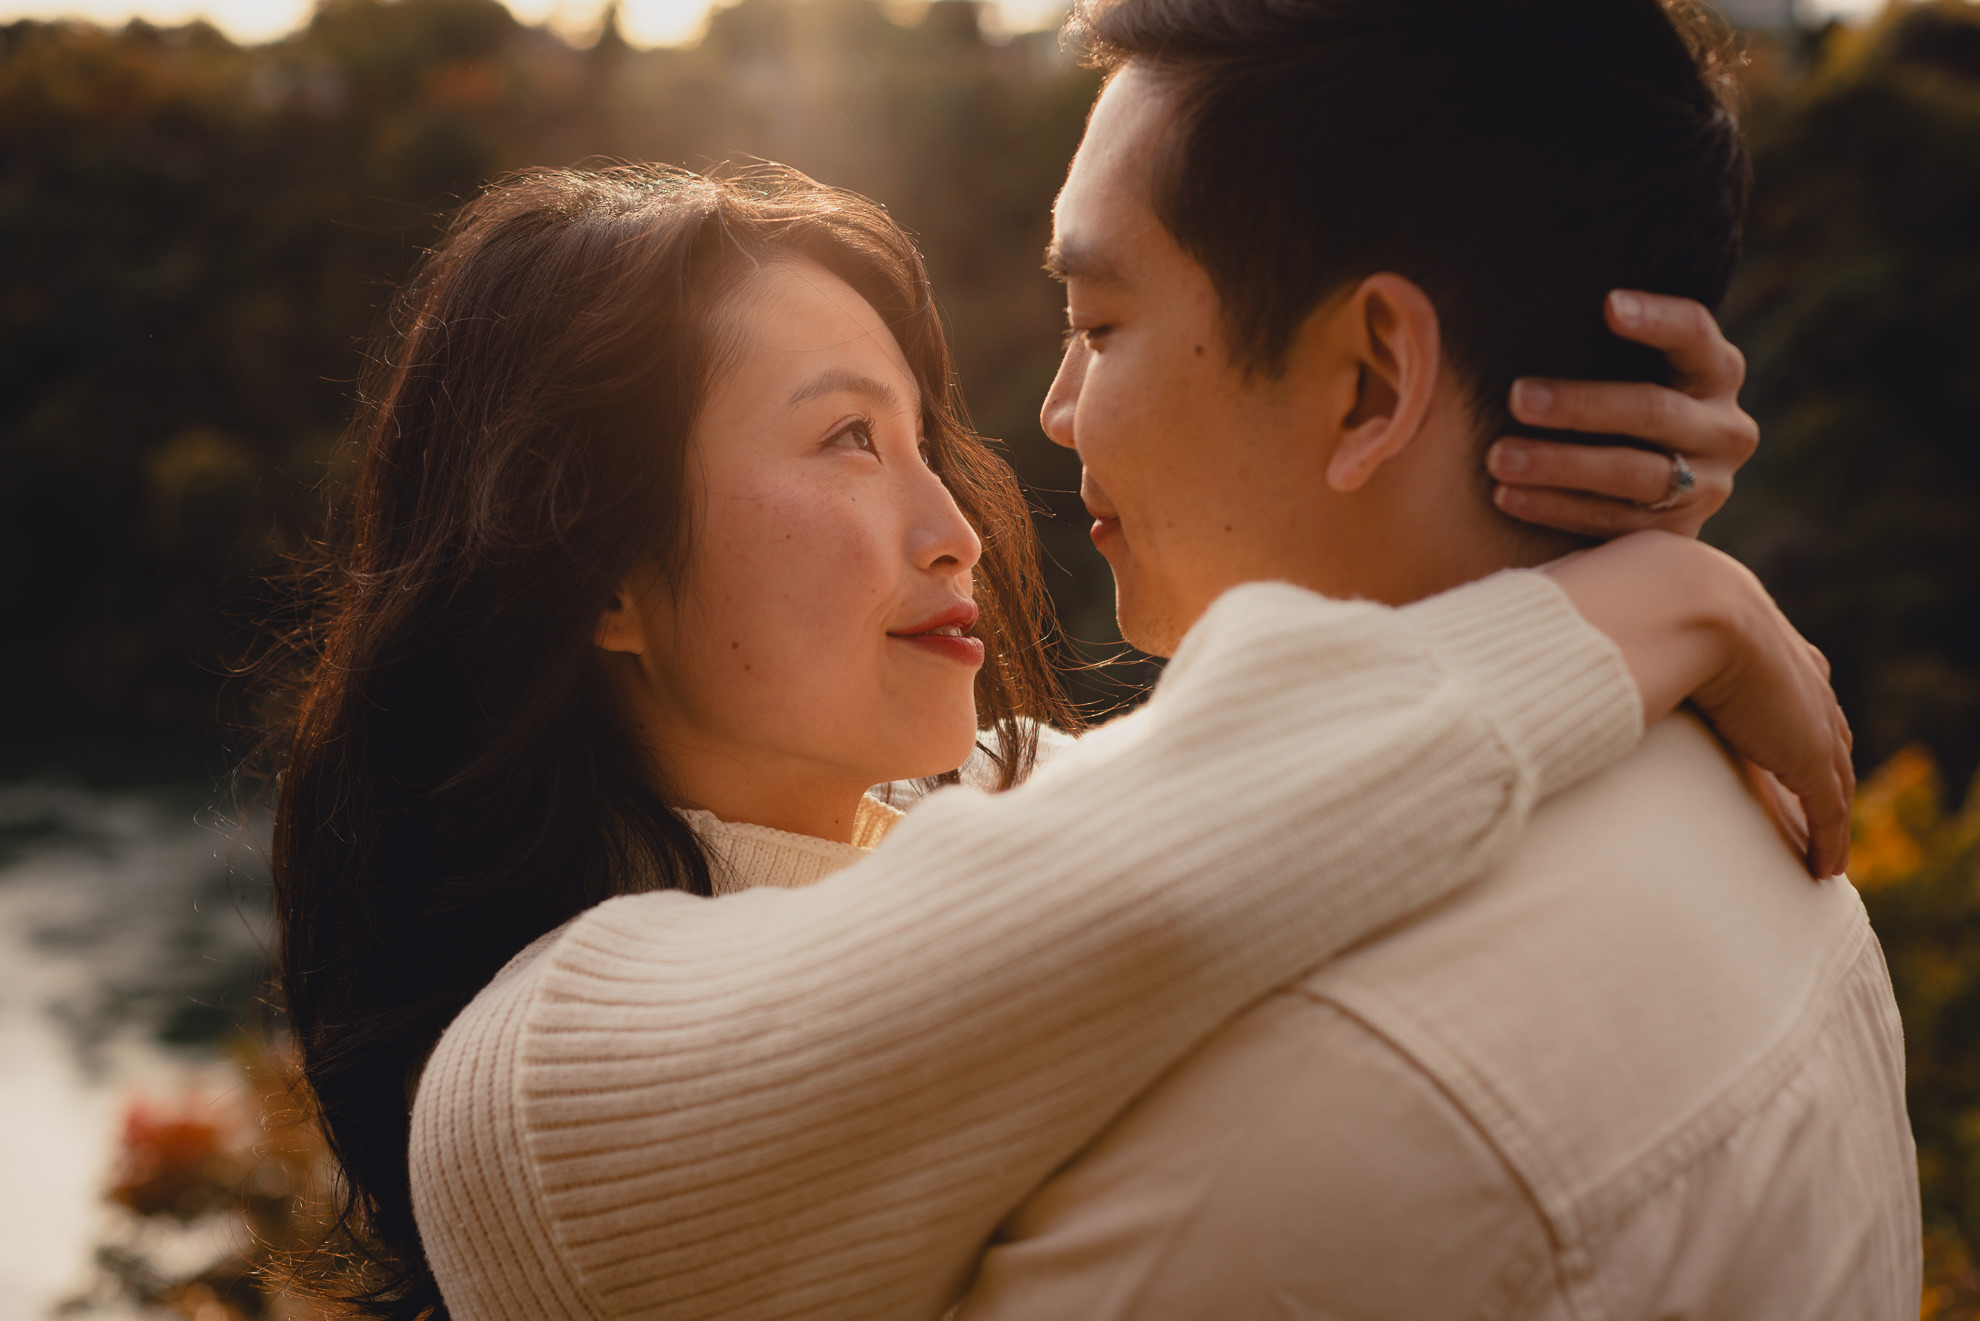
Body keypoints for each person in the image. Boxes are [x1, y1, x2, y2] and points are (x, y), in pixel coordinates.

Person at [270, 166, 1846, 1321]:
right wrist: (1658, 593)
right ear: (604, 571)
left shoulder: (1017, 800)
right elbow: (1187, 864)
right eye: (845, 441)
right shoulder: (532, 1100)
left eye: (923, 441)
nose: (958, 530)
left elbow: (1315, 763)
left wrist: (1568, 510)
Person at [951, 0, 1918, 1316]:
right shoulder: (1755, 803)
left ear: (1369, 383)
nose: (1060, 409)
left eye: (1099, 321)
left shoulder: (1287, 1119)